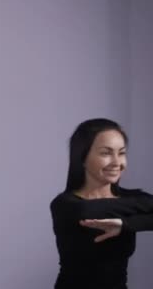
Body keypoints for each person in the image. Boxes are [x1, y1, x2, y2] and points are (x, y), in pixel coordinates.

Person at [50, 118, 153, 289]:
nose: (116, 162)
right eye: (106, 153)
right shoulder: (65, 205)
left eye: (121, 153)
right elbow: (86, 210)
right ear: (82, 157)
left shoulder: (130, 201)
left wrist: (126, 224)